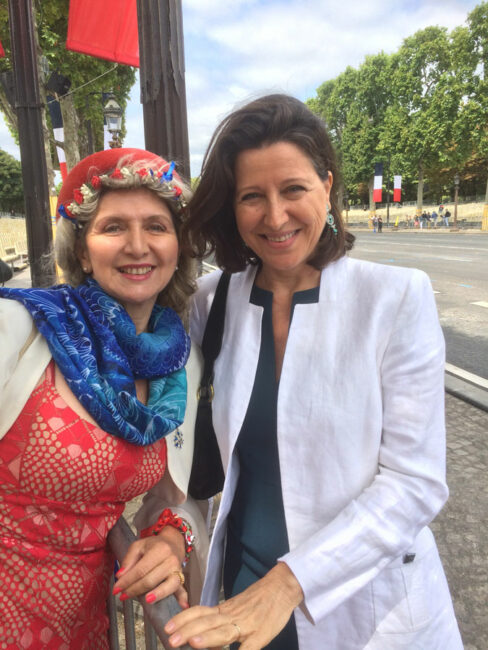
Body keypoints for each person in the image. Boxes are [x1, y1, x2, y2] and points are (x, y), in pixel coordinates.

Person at [164, 94, 462, 649]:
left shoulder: (395, 298)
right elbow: (182, 445)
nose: (275, 217)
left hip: (362, 607)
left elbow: (415, 482)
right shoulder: (211, 301)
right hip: (240, 597)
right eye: (252, 196)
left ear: (328, 186)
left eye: (294, 189)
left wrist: (289, 583)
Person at [0, 148, 207, 648]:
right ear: (83, 251)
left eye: (156, 226)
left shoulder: (182, 364)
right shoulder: (20, 329)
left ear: (177, 246)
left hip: (84, 628)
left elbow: (173, 498)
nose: (138, 246)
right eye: (114, 227)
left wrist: (172, 537)